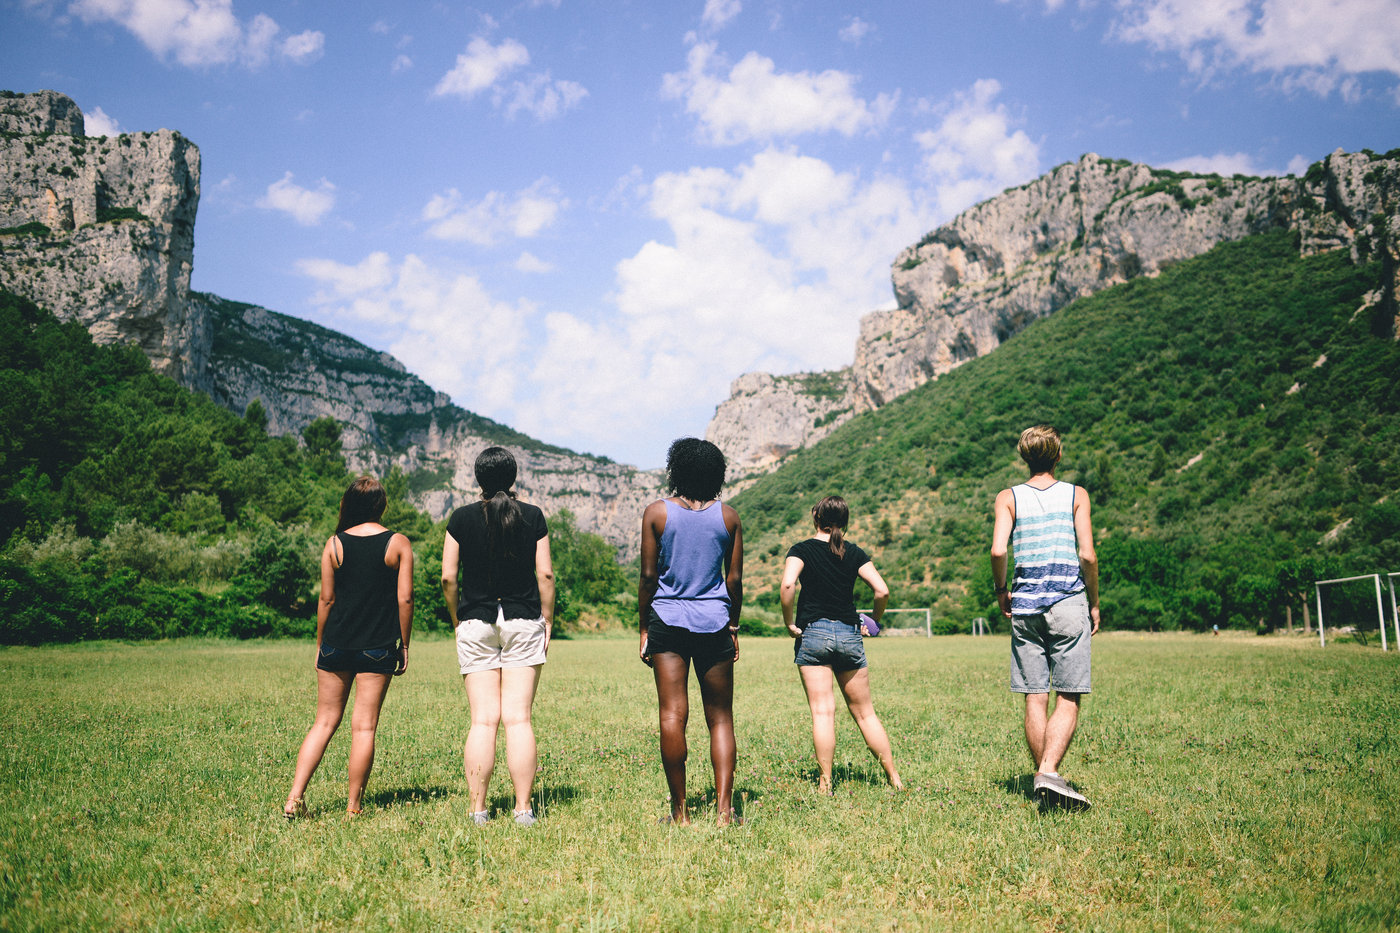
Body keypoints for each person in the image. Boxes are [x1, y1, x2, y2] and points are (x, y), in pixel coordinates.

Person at [285, 475, 413, 819]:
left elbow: (326, 600)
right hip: (378, 645)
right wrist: (404, 645)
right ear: (381, 505)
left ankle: (294, 798)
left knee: (324, 722)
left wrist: (320, 645)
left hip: (336, 644)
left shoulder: (334, 544)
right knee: (364, 727)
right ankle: (354, 808)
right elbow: (405, 599)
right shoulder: (398, 542)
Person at [442, 446, 555, 827]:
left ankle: (478, 810)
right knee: (519, 719)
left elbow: (447, 577)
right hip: (524, 620)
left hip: (475, 621)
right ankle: (523, 809)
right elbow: (546, 577)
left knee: (483, 721)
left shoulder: (460, 518)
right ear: (514, 477)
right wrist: (549, 619)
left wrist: (457, 618)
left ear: (478, 480)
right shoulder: (534, 516)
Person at [990, 425, 1100, 809]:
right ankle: (1048, 772)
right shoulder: (1076, 494)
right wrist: (1095, 601)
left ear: (1024, 457)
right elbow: (1087, 554)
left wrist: (1002, 591)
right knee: (1068, 694)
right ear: (1057, 456)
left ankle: (1045, 779)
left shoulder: (1009, 497)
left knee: (1034, 697)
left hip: (1025, 605)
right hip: (1068, 601)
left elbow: (998, 550)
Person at [638, 438, 743, 827]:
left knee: (672, 715)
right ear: (717, 473)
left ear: (675, 469)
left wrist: (644, 627)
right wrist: (733, 626)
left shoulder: (656, 513)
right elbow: (734, 581)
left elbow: (649, 577)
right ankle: (723, 813)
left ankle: (680, 814)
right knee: (720, 719)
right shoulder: (728, 517)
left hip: (666, 620)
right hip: (715, 620)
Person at [780, 496, 903, 795]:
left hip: (814, 634)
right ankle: (895, 778)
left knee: (823, 712)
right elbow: (882, 590)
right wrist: (872, 622)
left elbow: (787, 585)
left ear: (815, 516)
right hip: (850, 634)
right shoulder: (854, 552)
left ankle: (825, 784)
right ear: (846, 523)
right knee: (865, 714)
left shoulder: (801, 550)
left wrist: (789, 623)